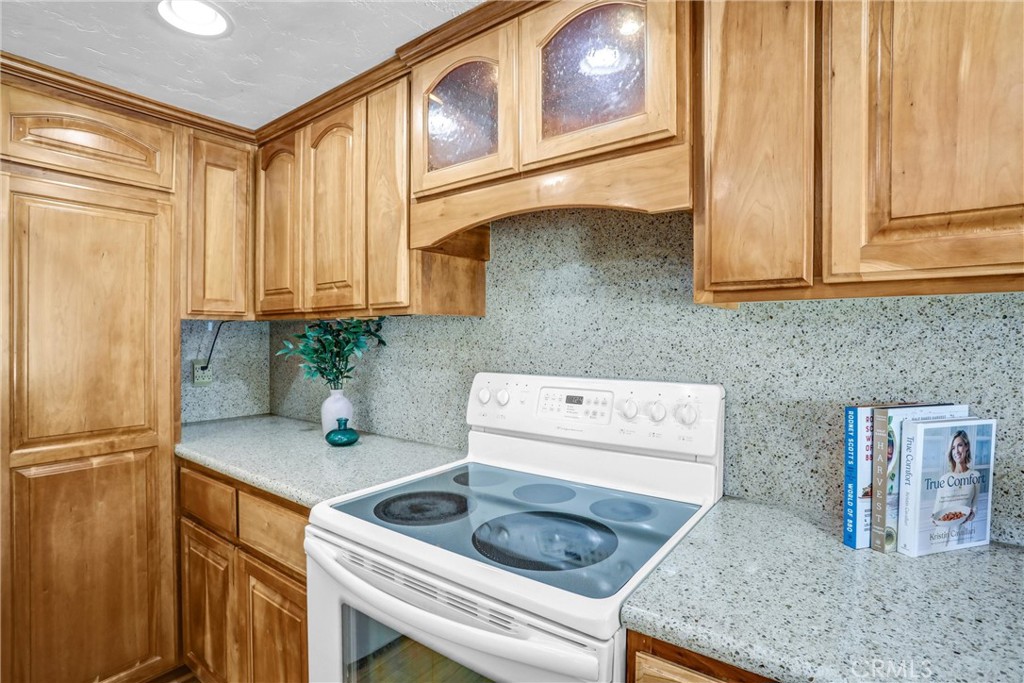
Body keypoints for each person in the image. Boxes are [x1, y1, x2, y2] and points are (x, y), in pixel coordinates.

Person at [931, 430, 979, 530]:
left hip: (963, 528)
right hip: (943, 530)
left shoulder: (975, 476)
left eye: (960, 445)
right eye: (953, 448)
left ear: (967, 446)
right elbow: (937, 509)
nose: (956, 451)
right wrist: (933, 519)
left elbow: (975, 505)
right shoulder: (944, 479)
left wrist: (972, 514)